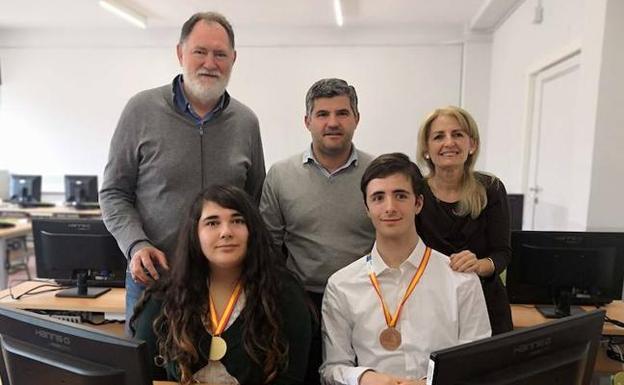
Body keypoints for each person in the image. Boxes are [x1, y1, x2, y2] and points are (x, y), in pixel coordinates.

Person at [100, 11, 265, 326]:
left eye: (220, 54)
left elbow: (255, 201)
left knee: (218, 371)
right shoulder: (141, 110)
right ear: (180, 53)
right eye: (199, 52)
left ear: (233, 59)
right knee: (147, 368)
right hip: (155, 278)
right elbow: (113, 192)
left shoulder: (246, 122)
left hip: (225, 284)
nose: (210, 62)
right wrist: (136, 244)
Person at [321, 153, 491, 385]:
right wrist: (364, 378)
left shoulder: (460, 279)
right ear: (367, 208)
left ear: (418, 203)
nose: (390, 207)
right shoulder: (341, 285)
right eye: (378, 198)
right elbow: (332, 369)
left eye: (400, 195)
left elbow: (479, 363)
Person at [131, 185, 311, 385]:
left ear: (252, 231)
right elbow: (142, 375)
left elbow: (292, 377)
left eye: (237, 221)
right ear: (195, 234)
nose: (226, 232)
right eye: (212, 223)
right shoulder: (165, 295)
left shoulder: (284, 294)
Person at [260, 78, 376, 384]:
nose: (333, 122)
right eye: (323, 114)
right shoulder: (281, 175)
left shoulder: (378, 174)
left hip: (366, 300)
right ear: (307, 121)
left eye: (342, 113)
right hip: (301, 302)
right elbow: (268, 246)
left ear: (356, 119)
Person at [415, 105, 513, 335]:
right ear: (427, 149)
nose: (449, 142)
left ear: (472, 144)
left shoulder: (491, 189)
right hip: (430, 304)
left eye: (458, 134)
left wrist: (479, 265)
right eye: (439, 136)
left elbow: (503, 253)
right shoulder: (415, 191)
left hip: (485, 302)